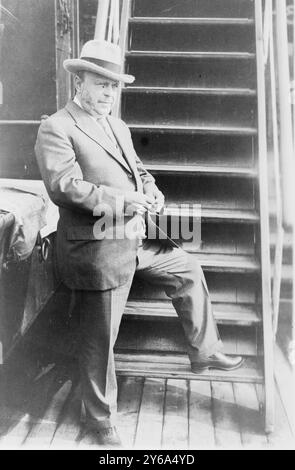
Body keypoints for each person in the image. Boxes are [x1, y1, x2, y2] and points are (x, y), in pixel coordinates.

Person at [35, 39, 243, 448]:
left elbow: (140, 171)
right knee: (99, 343)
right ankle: (98, 418)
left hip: (133, 236)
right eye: (100, 84)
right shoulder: (57, 127)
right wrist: (124, 199)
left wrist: (152, 189)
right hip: (94, 248)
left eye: (114, 87)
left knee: (186, 268)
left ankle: (204, 350)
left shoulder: (117, 125)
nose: (109, 94)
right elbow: (64, 188)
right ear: (79, 82)